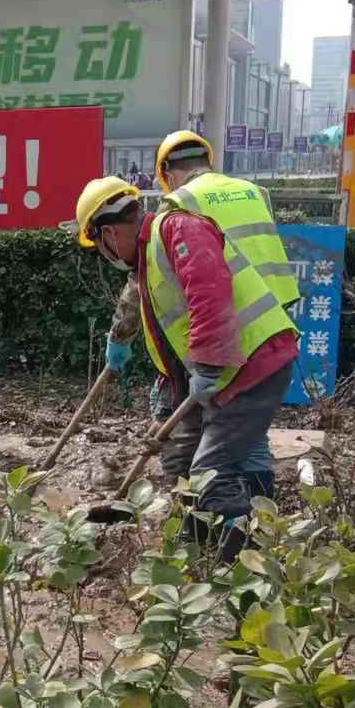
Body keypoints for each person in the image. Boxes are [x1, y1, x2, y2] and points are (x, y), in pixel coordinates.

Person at [76, 168, 299, 555]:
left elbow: (209, 294)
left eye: (100, 248)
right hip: (226, 370)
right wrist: (173, 408)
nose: (106, 256)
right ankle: (195, 543)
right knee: (182, 455)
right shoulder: (149, 258)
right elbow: (173, 344)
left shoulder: (176, 229)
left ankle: (243, 565)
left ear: (108, 234)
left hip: (254, 366)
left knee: (211, 473)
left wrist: (209, 367)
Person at [100, 129, 302, 501]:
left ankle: (230, 532)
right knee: (244, 443)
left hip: (223, 331)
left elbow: (149, 282)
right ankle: (256, 516)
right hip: (266, 322)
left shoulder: (178, 208)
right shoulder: (254, 192)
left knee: (215, 463)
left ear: (167, 173)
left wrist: (120, 336)